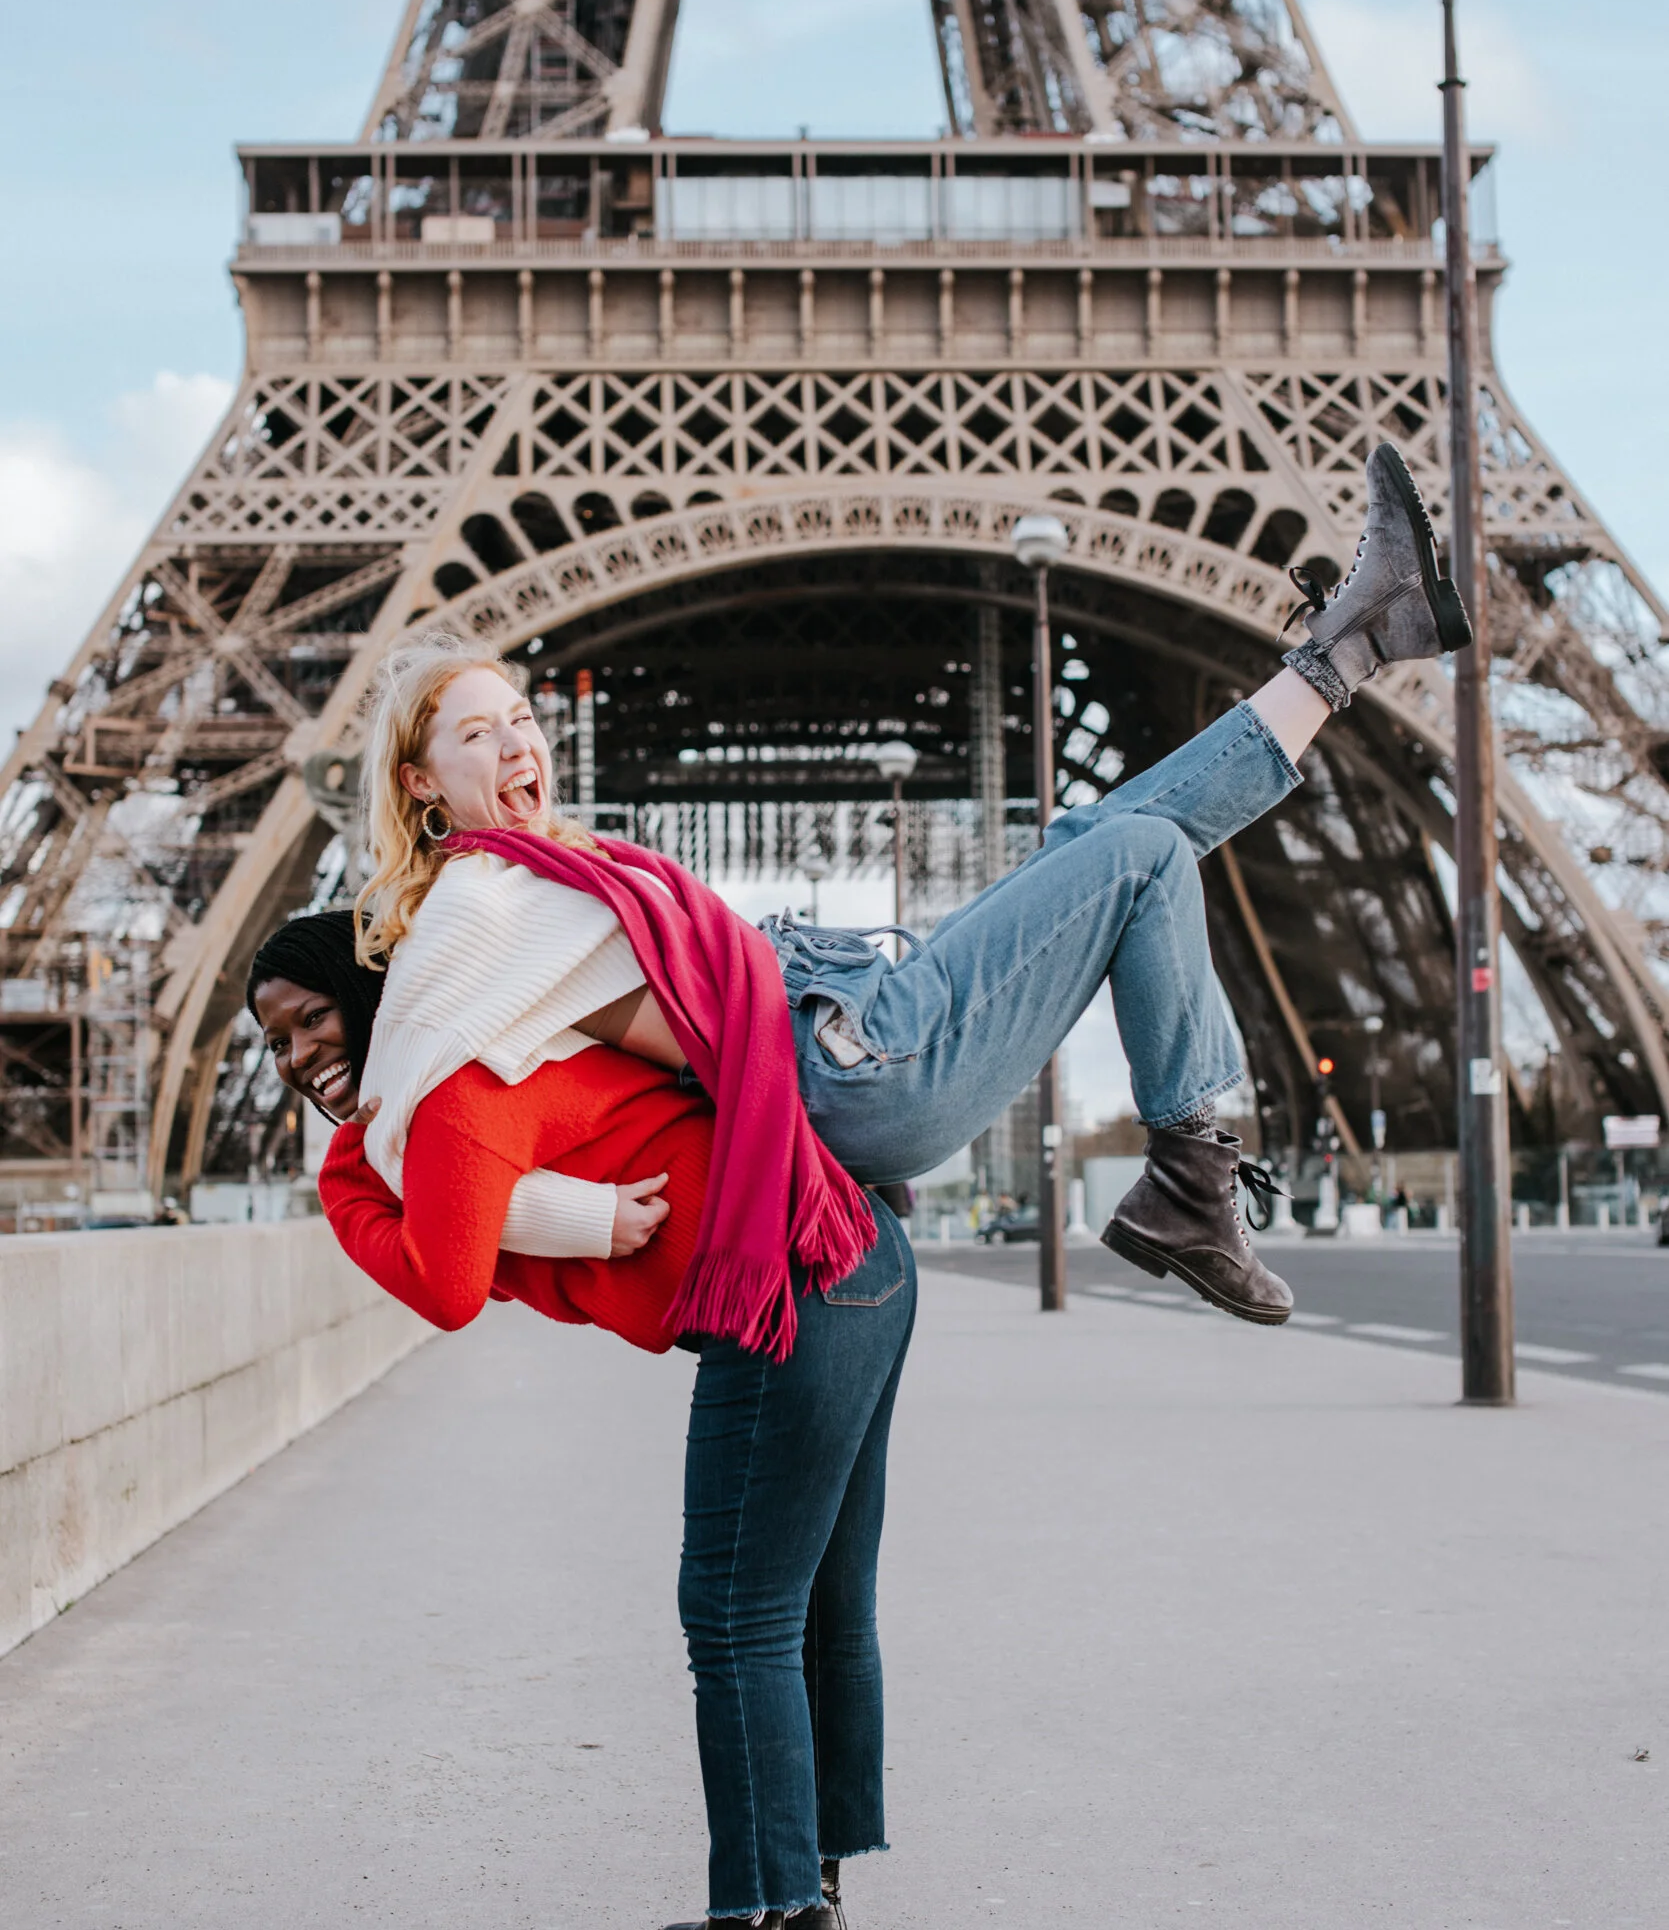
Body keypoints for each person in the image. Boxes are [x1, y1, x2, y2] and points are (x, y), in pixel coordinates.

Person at [352, 442, 1469, 1332]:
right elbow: (396, 1139)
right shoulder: (470, 905)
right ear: (422, 786)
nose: (513, 743)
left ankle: (1355, 645)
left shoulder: (538, 866)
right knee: (1137, 859)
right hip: (850, 1068)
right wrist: (578, 1218)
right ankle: (1188, 1176)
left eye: (521, 718)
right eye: (474, 734)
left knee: (1102, 835)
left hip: (850, 1021)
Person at [248, 909, 915, 1930]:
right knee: (815, 1606)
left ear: (377, 997)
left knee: (738, 1620)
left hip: (789, 1286)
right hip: (851, 1260)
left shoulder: (460, 1075)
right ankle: (802, 1903)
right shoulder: (421, 1112)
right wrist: (574, 1215)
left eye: (311, 1018)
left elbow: (445, 1276)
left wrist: (433, 1194)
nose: (298, 1053)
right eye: (275, 1041)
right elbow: (458, 1244)